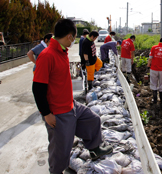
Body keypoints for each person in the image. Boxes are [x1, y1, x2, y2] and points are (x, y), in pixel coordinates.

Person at [32, 19, 112, 174]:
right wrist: (46, 114)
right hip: (58, 112)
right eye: (74, 37)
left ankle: (95, 149)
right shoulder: (47, 55)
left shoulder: (61, 51)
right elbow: (38, 88)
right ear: (69, 36)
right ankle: (56, 171)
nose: (75, 40)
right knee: (61, 150)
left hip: (71, 104)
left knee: (93, 120)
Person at [147, 37, 162, 104]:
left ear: (159, 41)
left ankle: (154, 99)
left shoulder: (153, 47)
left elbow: (150, 58)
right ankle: (161, 99)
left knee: (153, 83)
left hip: (153, 69)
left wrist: (148, 65)